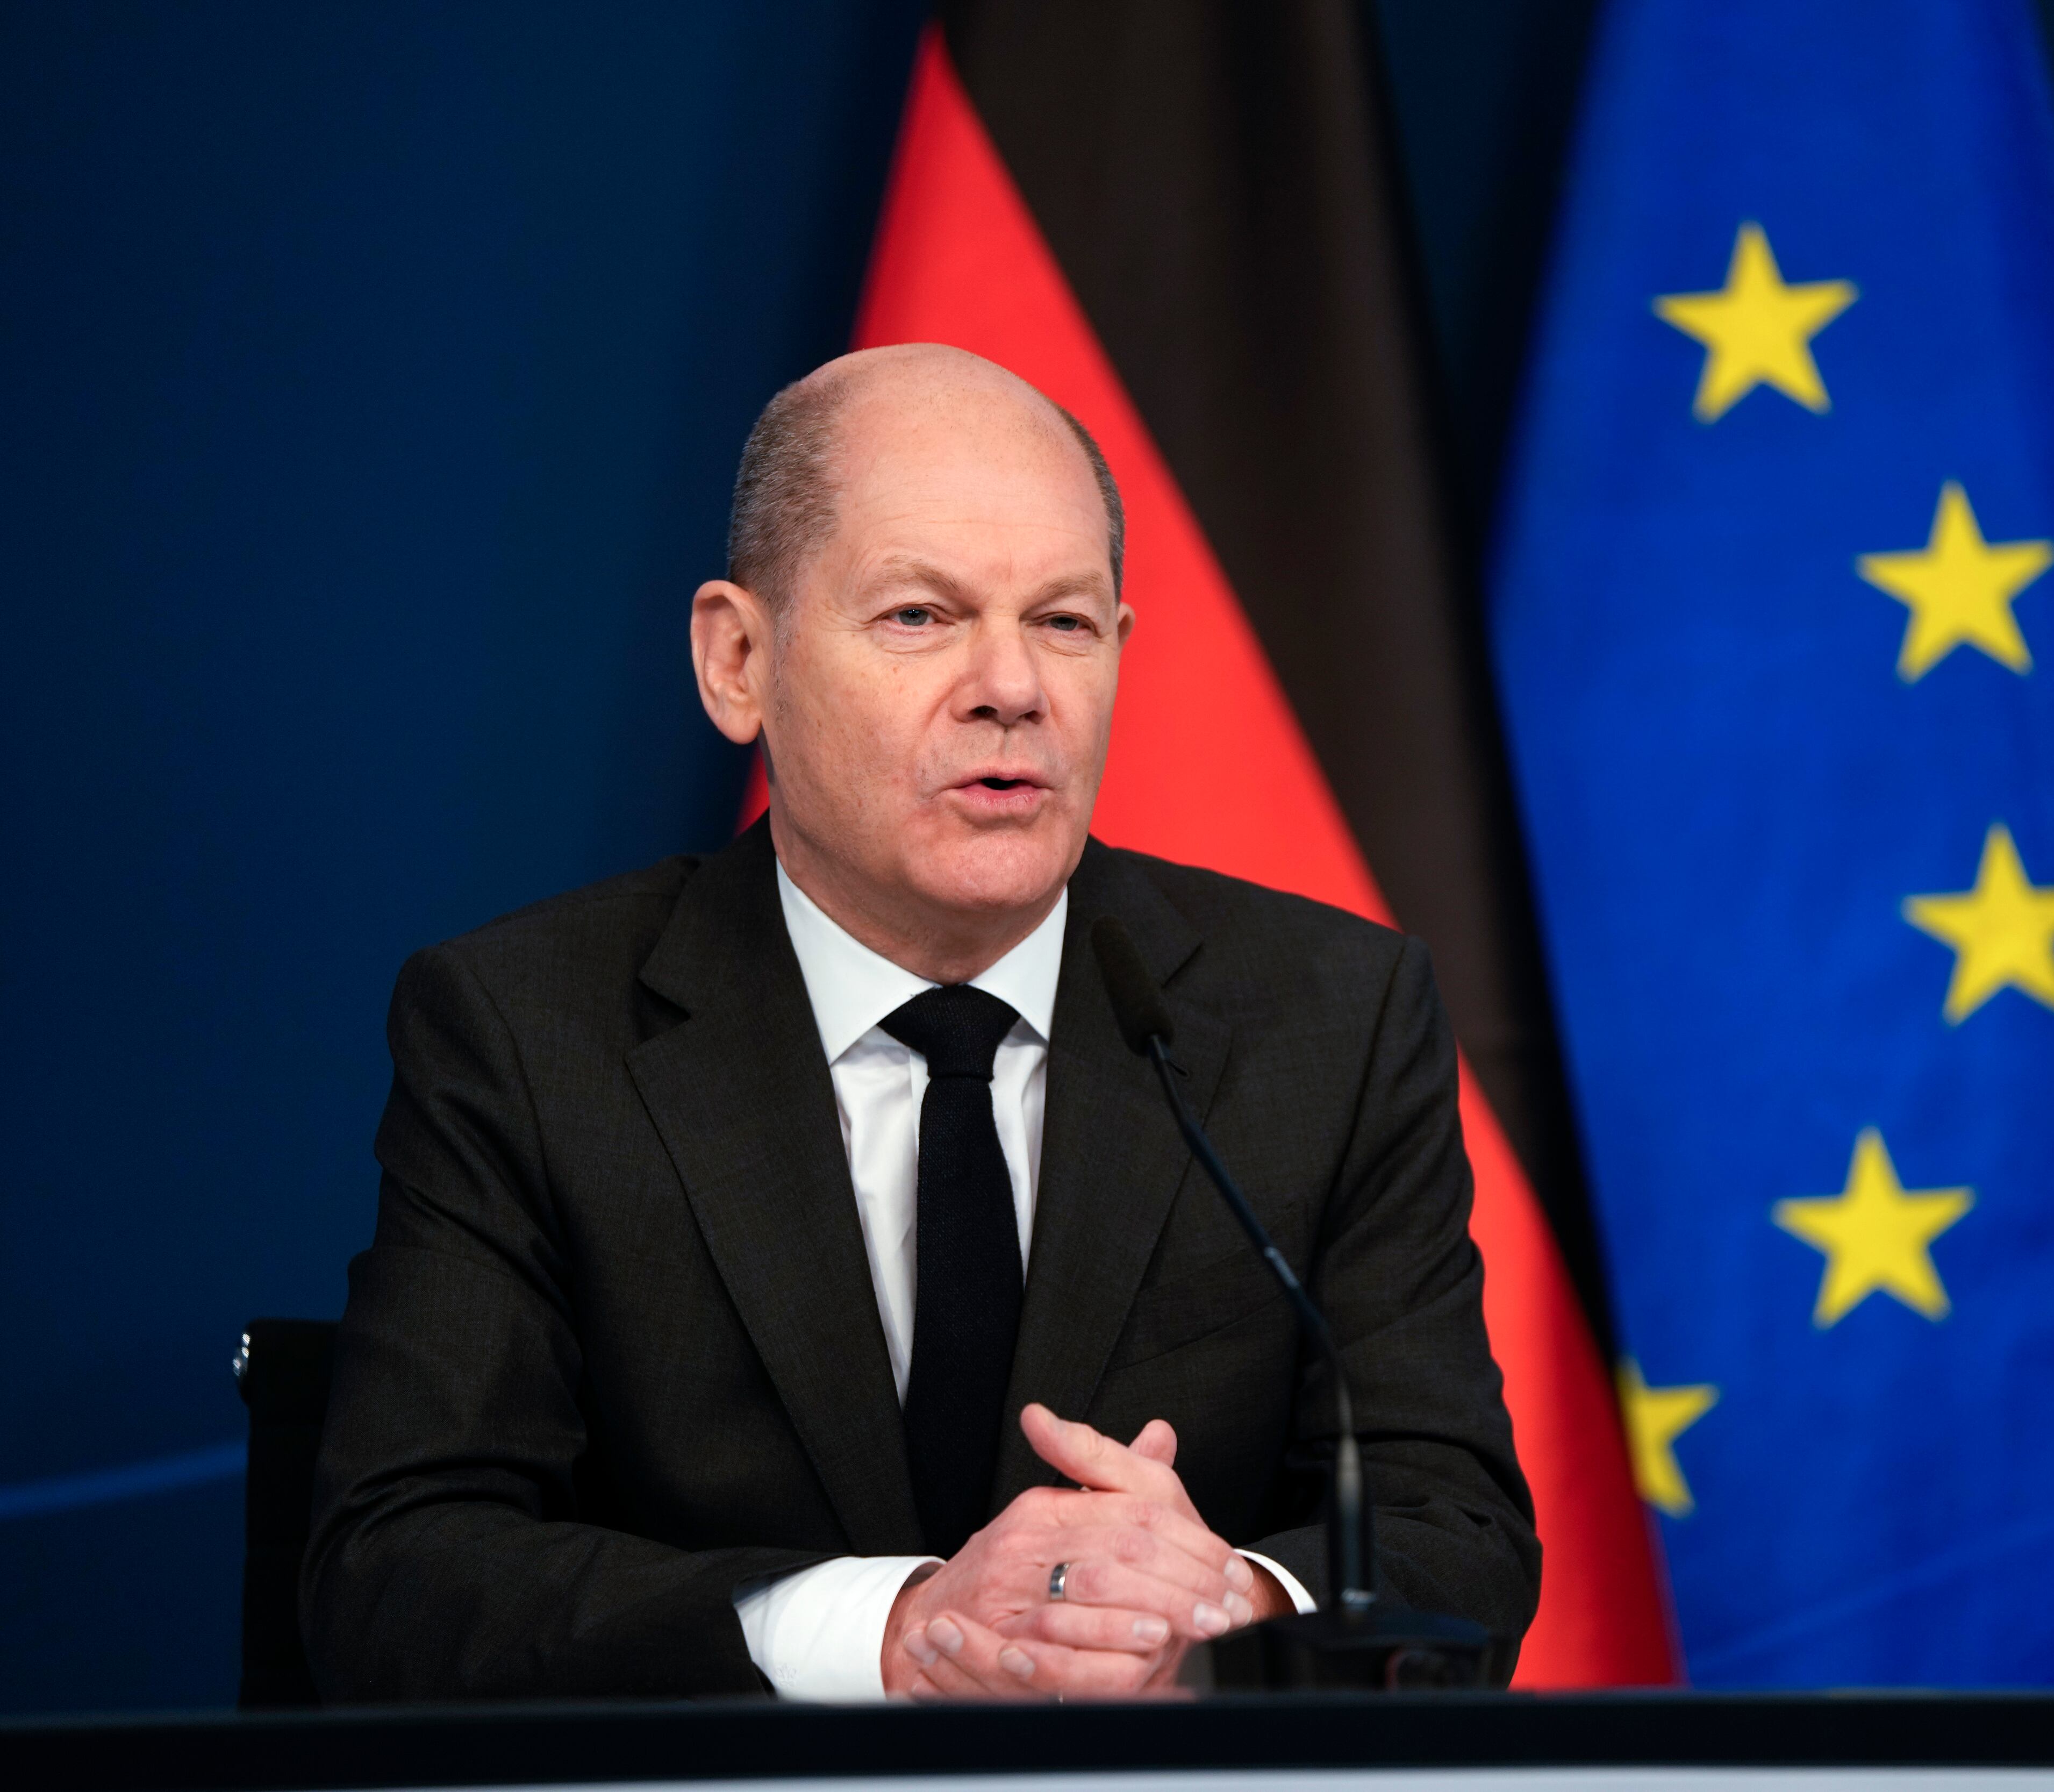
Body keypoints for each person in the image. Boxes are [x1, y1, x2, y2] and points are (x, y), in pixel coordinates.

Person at [301, 344, 1537, 1702]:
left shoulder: (1329, 1016)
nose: (1011, 686)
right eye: (919, 617)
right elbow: (400, 1571)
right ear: (738, 660)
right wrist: (894, 1630)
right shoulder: (530, 1033)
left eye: (1064, 623)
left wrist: (1231, 1603)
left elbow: (1459, 1532)